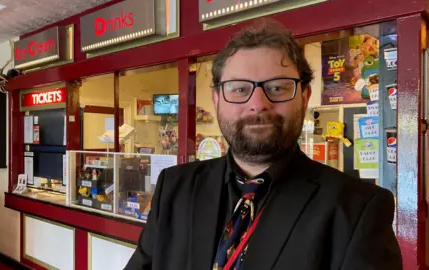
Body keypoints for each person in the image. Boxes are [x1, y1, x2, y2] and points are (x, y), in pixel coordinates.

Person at [124, 21, 402, 270]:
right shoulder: (174, 187)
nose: (258, 103)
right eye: (239, 89)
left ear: (304, 97)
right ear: (217, 99)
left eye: (278, 87)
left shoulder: (358, 208)